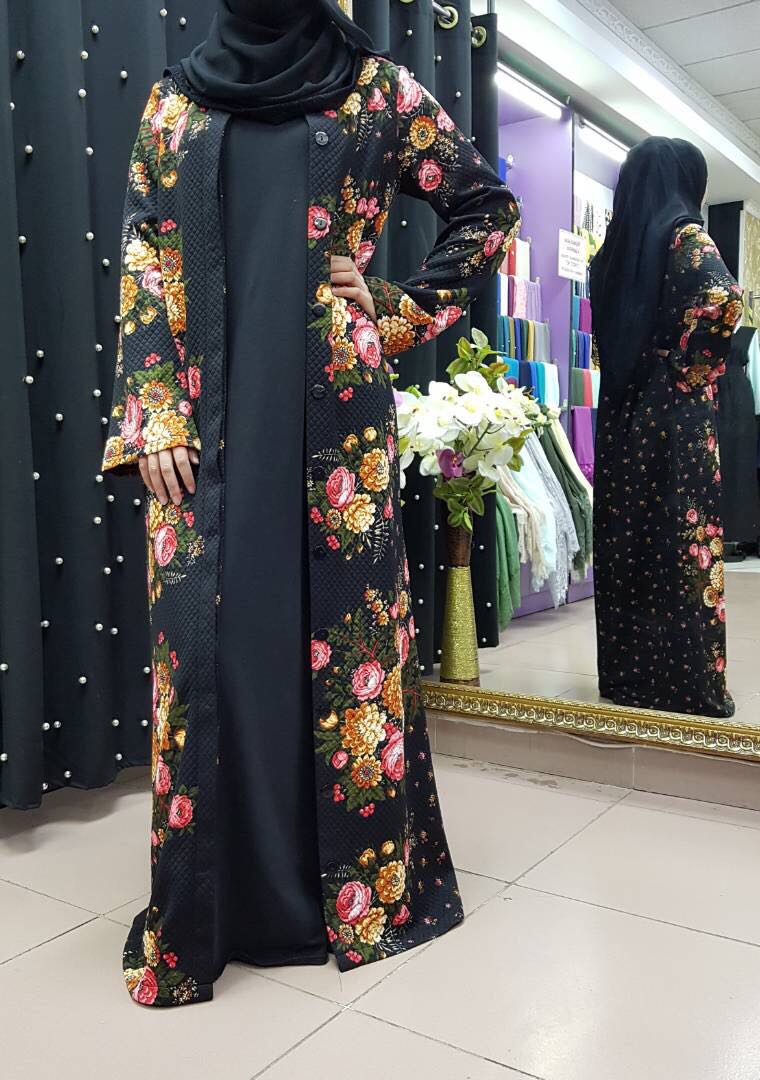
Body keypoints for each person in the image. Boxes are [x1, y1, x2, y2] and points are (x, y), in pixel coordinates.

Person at [101, 0, 520, 1007]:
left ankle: (344, 897)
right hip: (202, 426)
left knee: (337, 647)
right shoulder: (174, 102)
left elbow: (486, 210)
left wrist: (397, 306)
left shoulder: (375, 91)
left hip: (334, 426)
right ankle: (219, 904)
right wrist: (152, 411)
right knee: (220, 653)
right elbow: (146, 254)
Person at [590, 137, 743, 718]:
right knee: (683, 545)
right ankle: (688, 685)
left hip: (622, 414)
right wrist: (690, 368)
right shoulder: (685, 236)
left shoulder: (614, 251)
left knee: (629, 543)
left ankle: (628, 677)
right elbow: (724, 300)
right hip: (677, 417)